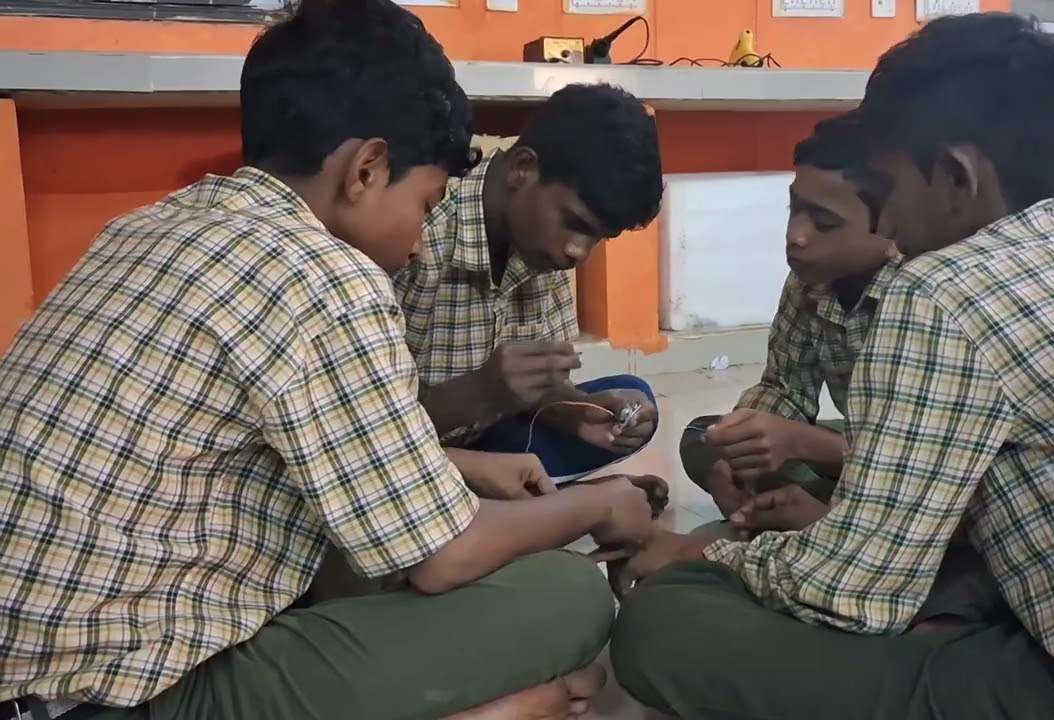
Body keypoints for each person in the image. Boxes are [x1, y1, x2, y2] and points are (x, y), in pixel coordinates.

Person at [607, 13, 1054, 720]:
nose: (887, 222)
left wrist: (700, 559)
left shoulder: (938, 292)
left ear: (957, 176)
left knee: (668, 624)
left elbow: (854, 591)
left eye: (888, 188)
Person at [0, 3, 661, 719]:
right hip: (108, 694)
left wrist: (478, 461)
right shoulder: (330, 276)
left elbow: (293, 435)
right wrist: (598, 502)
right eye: (425, 199)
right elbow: (445, 556)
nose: (417, 237)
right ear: (367, 169)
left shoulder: (146, 225)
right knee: (566, 595)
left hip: (34, 646)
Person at [395, 82, 666, 486]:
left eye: (598, 238)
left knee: (630, 394)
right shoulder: (417, 236)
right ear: (523, 168)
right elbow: (359, 430)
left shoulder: (542, 247)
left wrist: (580, 412)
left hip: (485, 440)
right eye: (576, 225)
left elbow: (538, 392)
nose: (578, 252)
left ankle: (521, 502)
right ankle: (533, 505)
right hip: (398, 454)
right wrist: (481, 392)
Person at [680, 111, 900, 525]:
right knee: (703, 438)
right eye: (794, 208)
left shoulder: (919, 296)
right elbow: (784, 388)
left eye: (824, 223)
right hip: (852, 452)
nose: (795, 235)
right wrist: (742, 450)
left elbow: (914, 455)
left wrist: (802, 442)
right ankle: (815, 509)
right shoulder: (808, 281)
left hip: (912, 472)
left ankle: (829, 515)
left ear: (894, 226)